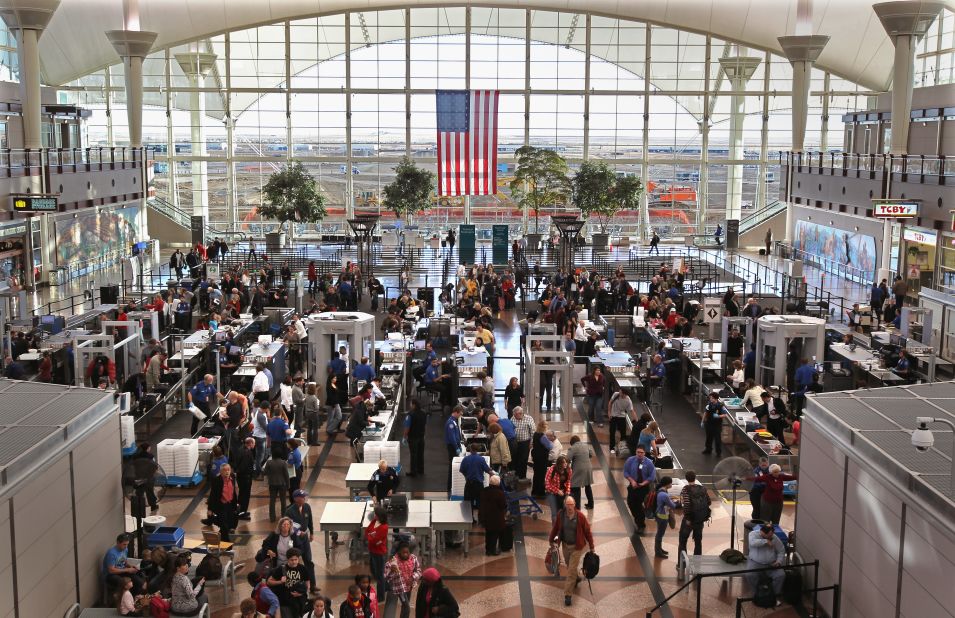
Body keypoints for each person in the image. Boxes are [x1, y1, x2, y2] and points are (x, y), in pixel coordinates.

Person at [549, 496, 595, 607]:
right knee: (570, 567)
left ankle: (568, 595)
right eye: (568, 504)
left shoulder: (580, 516)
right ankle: (578, 578)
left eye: (572, 504)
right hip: (565, 545)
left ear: (574, 505)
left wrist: (592, 547)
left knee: (570, 571)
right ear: (565, 505)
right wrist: (551, 540)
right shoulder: (561, 515)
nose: (570, 507)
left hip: (577, 547)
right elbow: (555, 528)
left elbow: (588, 532)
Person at [745, 523, 787, 604]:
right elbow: (753, 543)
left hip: (771, 563)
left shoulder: (774, 538)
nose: (771, 537)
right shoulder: (753, 534)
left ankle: (773, 596)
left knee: (781, 575)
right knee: (750, 575)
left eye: (772, 535)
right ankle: (756, 594)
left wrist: (778, 561)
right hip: (755, 562)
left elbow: (781, 550)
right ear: (762, 532)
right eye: (769, 536)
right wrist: (765, 541)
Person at [678, 470, 711, 562]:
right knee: (698, 541)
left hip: (689, 520)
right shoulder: (703, 488)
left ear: (686, 479)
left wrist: (688, 518)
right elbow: (709, 502)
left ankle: (682, 564)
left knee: (682, 541)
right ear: (695, 478)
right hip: (700, 520)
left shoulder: (686, 489)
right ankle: (697, 564)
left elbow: (687, 505)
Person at [267, 547, 310, 617]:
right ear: (287, 559)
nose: (294, 562)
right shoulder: (282, 569)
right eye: (291, 560)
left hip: (299, 596)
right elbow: (269, 582)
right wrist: (280, 581)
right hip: (286, 597)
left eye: (296, 559)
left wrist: (302, 593)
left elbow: (307, 582)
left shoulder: (302, 568)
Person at [624, 446, 656, 534]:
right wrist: (632, 481)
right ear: (635, 452)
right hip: (633, 485)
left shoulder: (649, 463)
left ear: (645, 453)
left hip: (643, 487)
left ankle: (641, 525)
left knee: (638, 505)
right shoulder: (630, 460)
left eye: (641, 452)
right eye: (638, 452)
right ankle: (638, 519)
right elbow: (626, 472)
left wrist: (643, 483)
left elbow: (652, 477)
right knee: (630, 503)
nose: (639, 454)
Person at [384, 542, 421, 618]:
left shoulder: (413, 558)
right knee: (407, 607)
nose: (405, 554)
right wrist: (392, 571)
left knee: (404, 607)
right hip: (400, 588)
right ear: (399, 552)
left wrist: (413, 577)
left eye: (407, 552)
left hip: (409, 586)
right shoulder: (393, 562)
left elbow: (419, 571)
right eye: (403, 552)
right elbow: (386, 575)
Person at [204, 463, 239, 541]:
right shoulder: (217, 480)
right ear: (221, 471)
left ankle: (222, 535)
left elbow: (234, 491)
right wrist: (210, 509)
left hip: (230, 504)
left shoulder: (232, 477)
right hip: (221, 505)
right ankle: (227, 543)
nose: (227, 472)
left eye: (228, 470)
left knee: (229, 523)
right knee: (224, 525)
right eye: (224, 470)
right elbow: (212, 495)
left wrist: (236, 502)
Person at [479, 475, 509, 556]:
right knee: (494, 534)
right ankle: (492, 550)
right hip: (496, 518)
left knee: (488, 533)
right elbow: (503, 505)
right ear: (498, 483)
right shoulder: (500, 493)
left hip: (485, 517)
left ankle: (488, 549)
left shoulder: (484, 491)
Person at [459, 443, 493, 515]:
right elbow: (488, 470)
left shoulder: (465, 459)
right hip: (479, 485)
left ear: (470, 449)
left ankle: (469, 520)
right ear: (478, 450)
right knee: (480, 503)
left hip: (469, 484)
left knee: (468, 503)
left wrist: (466, 476)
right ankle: (481, 520)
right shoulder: (481, 459)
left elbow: (462, 470)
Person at [365, 506, 389, 599]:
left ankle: (381, 596)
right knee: (374, 571)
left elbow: (375, 540)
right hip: (372, 550)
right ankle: (386, 586)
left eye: (376, 514)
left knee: (379, 575)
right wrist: (371, 536)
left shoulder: (384, 527)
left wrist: (371, 536)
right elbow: (367, 531)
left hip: (379, 553)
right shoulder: (374, 521)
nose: (374, 515)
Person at [566, 435, 595, 510]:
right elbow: (591, 454)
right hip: (588, 468)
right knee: (587, 486)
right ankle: (591, 504)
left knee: (575, 486)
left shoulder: (572, 448)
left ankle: (577, 506)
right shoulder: (586, 445)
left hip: (578, 469)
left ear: (572, 443)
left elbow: (568, 459)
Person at [263, 446, 290, 521]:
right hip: (282, 484)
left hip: (272, 484)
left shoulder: (269, 462)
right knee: (283, 501)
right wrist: (288, 485)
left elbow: (264, 472)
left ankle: (272, 517)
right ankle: (284, 517)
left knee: (272, 501)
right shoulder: (283, 463)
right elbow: (286, 475)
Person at [544, 455, 572, 523]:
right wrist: (557, 490)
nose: (566, 464)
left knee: (564, 512)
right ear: (559, 464)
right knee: (554, 514)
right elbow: (547, 484)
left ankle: (562, 529)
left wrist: (567, 492)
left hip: (563, 493)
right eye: (564, 463)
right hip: (551, 492)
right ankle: (555, 530)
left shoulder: (569, 470)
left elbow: (568, 481)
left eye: (566, 462)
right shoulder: (552, 470)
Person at [233, 437, 256, 519]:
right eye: (254, 443)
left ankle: (240, 510)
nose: (254, 445)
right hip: (245, 478)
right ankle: (242, 513)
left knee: (242, 494)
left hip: (241, 477)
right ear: (250, 444)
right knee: (245, 496)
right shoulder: (247, 453)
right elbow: (244, 467)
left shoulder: (241, 449)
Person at [653, 476, 676, 558]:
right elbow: (672, 506)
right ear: (667, 484)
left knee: (660, 534)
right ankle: (658, 552)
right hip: (663, 517)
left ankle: (659, 549)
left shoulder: (661, 491)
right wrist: (677, 503)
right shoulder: (664, 495)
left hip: (659, 515)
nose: (671, 484)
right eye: (671, 482)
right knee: (660, 534)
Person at [608, 387, 634, 454]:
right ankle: (612, 447)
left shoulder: (628, 400)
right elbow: (610, 403)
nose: (620, 393)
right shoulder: (616, 394)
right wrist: (609, 413)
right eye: (620, 391)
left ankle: (621, 448)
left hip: (622, 417)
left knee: (623, 433)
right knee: (612, 432)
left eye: (621, 393)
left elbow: (632, 410)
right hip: (613, 416)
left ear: (625, 394)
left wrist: (636, 420)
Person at [510, 407, 535, 480]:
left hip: (525, 442)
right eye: (514, 415)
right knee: (515, 459)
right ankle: (516, 476)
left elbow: (533, 432)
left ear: (520, 413)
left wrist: (531, 443)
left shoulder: (529, 419)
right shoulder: (513, 418)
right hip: (515, 442)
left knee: (523, 460)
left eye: (516, 415)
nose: (515, 417)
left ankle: (522, 476)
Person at [701, 392, 729, 456]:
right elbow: (705, 413)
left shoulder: (720, 406)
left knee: (717, 439)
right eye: (710, 398)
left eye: (712, 398)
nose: (710, 399)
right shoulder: (708, 405)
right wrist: (702, 421)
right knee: (708, 437)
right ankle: (708, 449)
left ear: (716, 399)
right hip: (709, 423)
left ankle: (718, 452)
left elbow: (725, 415)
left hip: (717, 425)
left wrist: (718, 416)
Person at [530, 420, 553, 497]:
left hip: (536, 457)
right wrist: (551, 442)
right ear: (544, 427)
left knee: (536, 475)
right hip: (542, 458)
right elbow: (549, 446)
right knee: (541, 475)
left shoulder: (535, 434)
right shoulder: (543, 436)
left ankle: (534, 491)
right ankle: (541, 493)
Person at [404, 399, 427, 477]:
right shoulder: (424, 413)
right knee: (421, 454)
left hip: (413, 437)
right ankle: (421, 470)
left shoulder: (410, 414)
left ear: (414, 405)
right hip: (421, 436)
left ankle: (413, 472)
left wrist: (405, 436)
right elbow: (424, 424)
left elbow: (407, 427)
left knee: (413, 454)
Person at [445, 406, 463, 491]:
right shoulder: (451, 423)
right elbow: (452, 437)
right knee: (452, 466)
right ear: (456, 412)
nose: (460, 415)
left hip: (454, 446)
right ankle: (450, 486)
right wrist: (456, 447)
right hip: (452, 447)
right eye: (460, 414)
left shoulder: (454, 421)